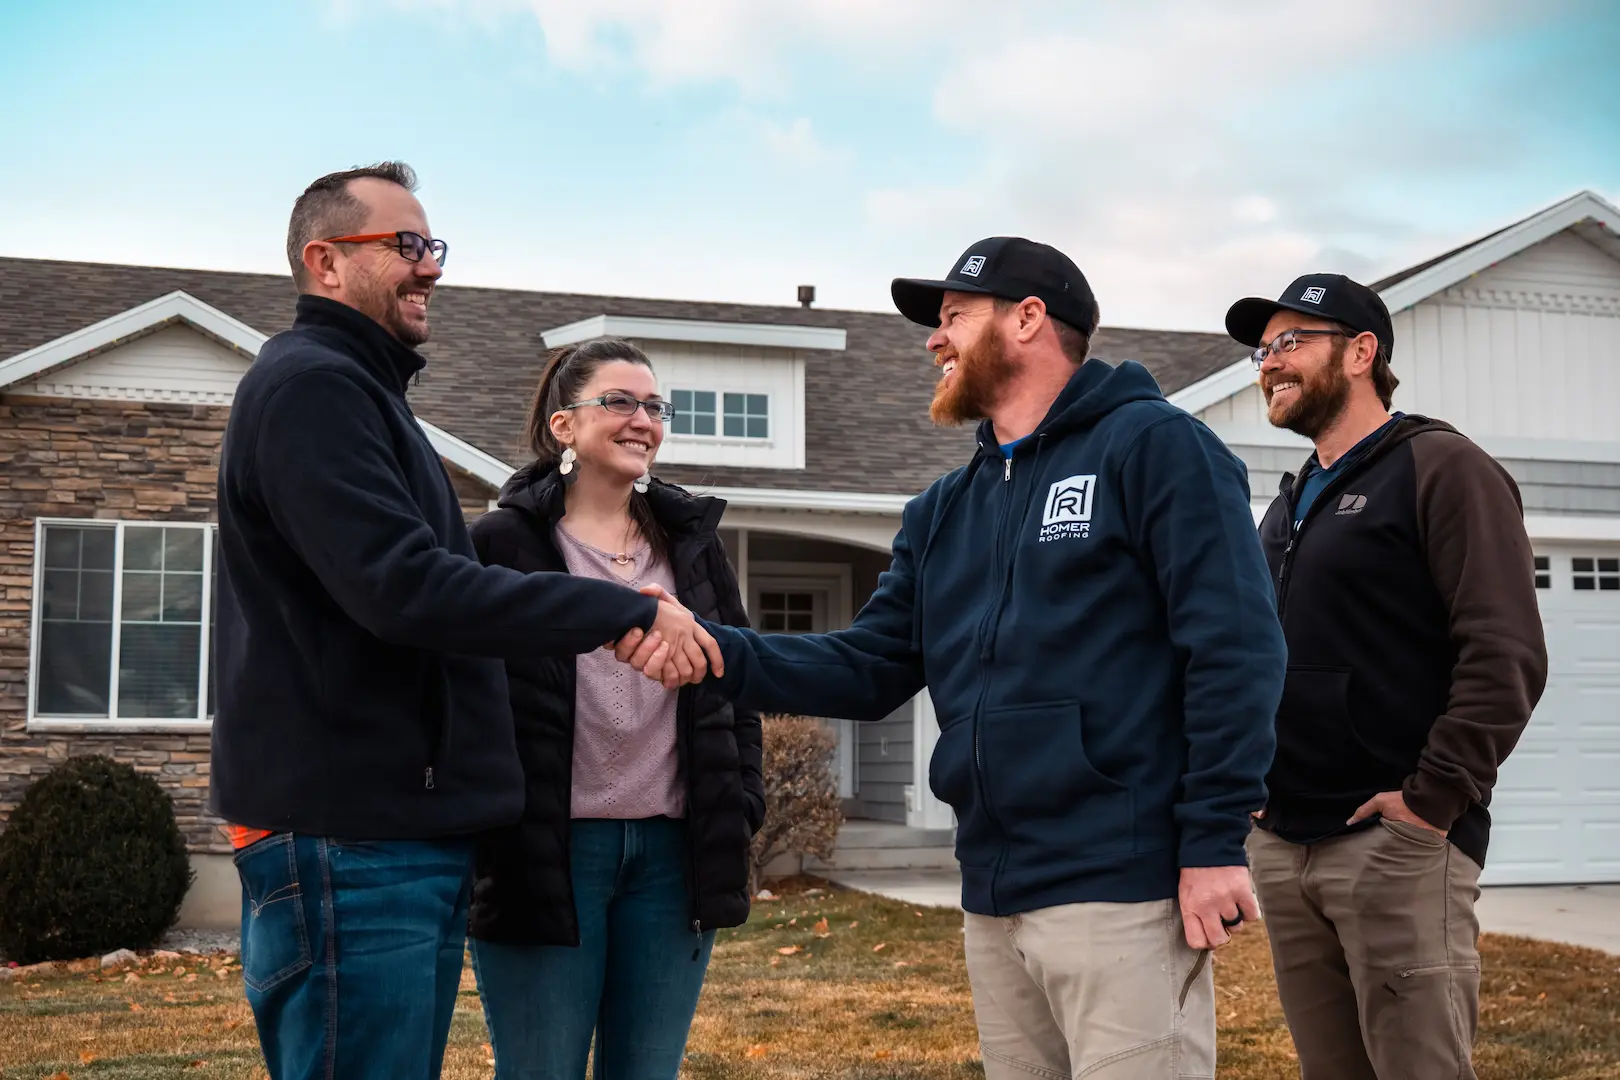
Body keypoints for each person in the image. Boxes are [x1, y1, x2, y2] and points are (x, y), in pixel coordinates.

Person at [623, 237, 1287, 1079]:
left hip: (1124, 882)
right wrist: (714, 650)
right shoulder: (946, 507)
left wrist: (1214, 842)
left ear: (1029, 319)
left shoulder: (1155, 449)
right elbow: (869, 666)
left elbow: (1235, 650)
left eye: (953, 318)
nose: (934, 341)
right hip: (994, 891)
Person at [210, 162, 720, 1080]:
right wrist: (612, 607)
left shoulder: (361, 396)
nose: (431, 267)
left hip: (396, 838)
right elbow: (405, 588)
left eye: (431, 246)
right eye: (404, 246)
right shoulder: (311, 389)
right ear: (325, 262)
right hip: (347, 841)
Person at [1225, 273, 1549, 1079]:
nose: (1270, 363)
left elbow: (1505, 650)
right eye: (1264, 350)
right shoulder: (1291, 502)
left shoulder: (1443, 468)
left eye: (1292, 341)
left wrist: (1431, 800)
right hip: (1285, 841)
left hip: (1394, 844)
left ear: (1363, 351)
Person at [463, 337, 764, 1079]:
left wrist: (742, 802)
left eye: (655, 406)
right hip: (544, 852)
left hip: (672, 856)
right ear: (564, 426)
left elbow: (737, 681)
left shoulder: (692, 547)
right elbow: (464, 691)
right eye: (620, 402)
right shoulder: (501, 543)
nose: (644, 420)